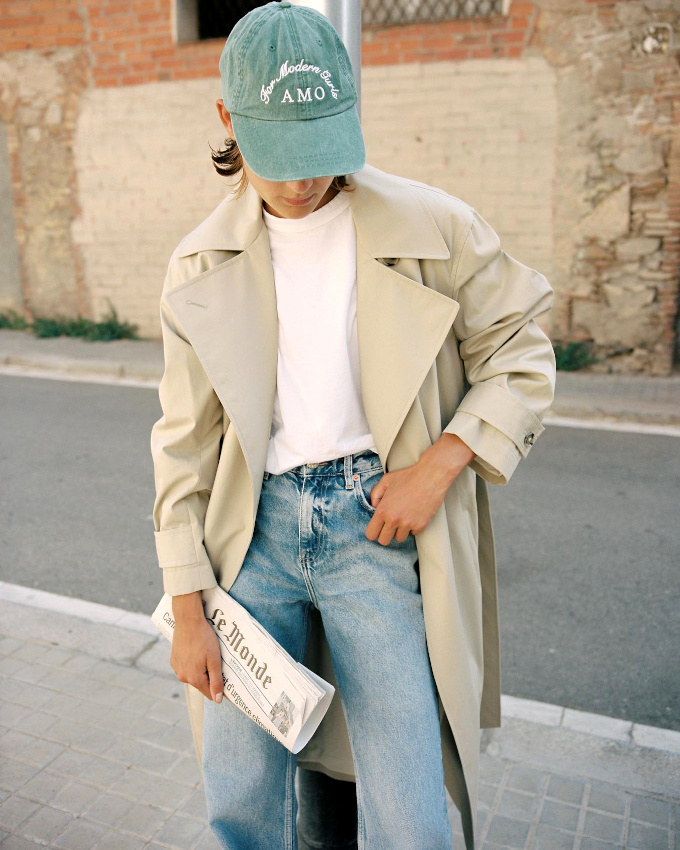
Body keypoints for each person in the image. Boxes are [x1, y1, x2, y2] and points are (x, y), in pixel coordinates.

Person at [149, 2, 557, 849]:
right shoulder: (198, 262)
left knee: (410, 811)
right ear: (228, 119)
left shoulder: (432, 224)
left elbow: (522, 350)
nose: (303, 182)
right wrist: (187, 605)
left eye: (322, 148)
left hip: (374, 524)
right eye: (282, 154)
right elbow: (183, 445)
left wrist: (442, 461)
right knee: (241, 798)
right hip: (246, 543)